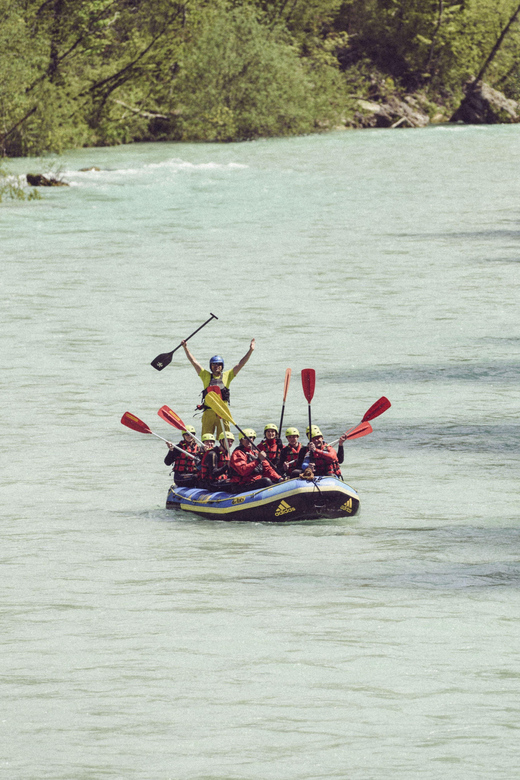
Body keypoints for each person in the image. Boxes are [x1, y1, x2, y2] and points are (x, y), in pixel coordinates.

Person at [181, 338, 255, 437]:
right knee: (206, 439)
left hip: (223, 413)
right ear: (210, 366)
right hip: (208, 413)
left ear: (222, 366)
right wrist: (185, 348)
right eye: (214, 364)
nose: (216, 366)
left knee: (225, 440)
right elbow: (194, 362)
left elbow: (241, 364)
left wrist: (250, 350)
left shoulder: (227, 376)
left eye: (219, 364)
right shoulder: (205, 375)